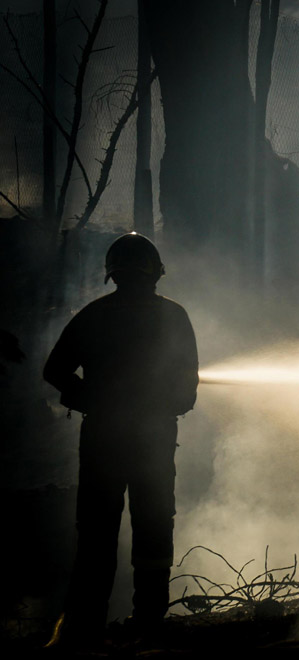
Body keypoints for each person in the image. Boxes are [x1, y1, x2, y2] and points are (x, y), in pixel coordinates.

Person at [43, 232, 198, 646]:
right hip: (154, 441)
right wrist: (170, 404)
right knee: (153, 526)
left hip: (103, 440)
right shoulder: (174, 316)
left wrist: (86, 397)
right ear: (156, 273)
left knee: (97, 531)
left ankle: (84, 628)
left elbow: (54, 370)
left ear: (112, 273)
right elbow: (188, 388)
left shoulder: (94, 316)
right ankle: (148, 621)